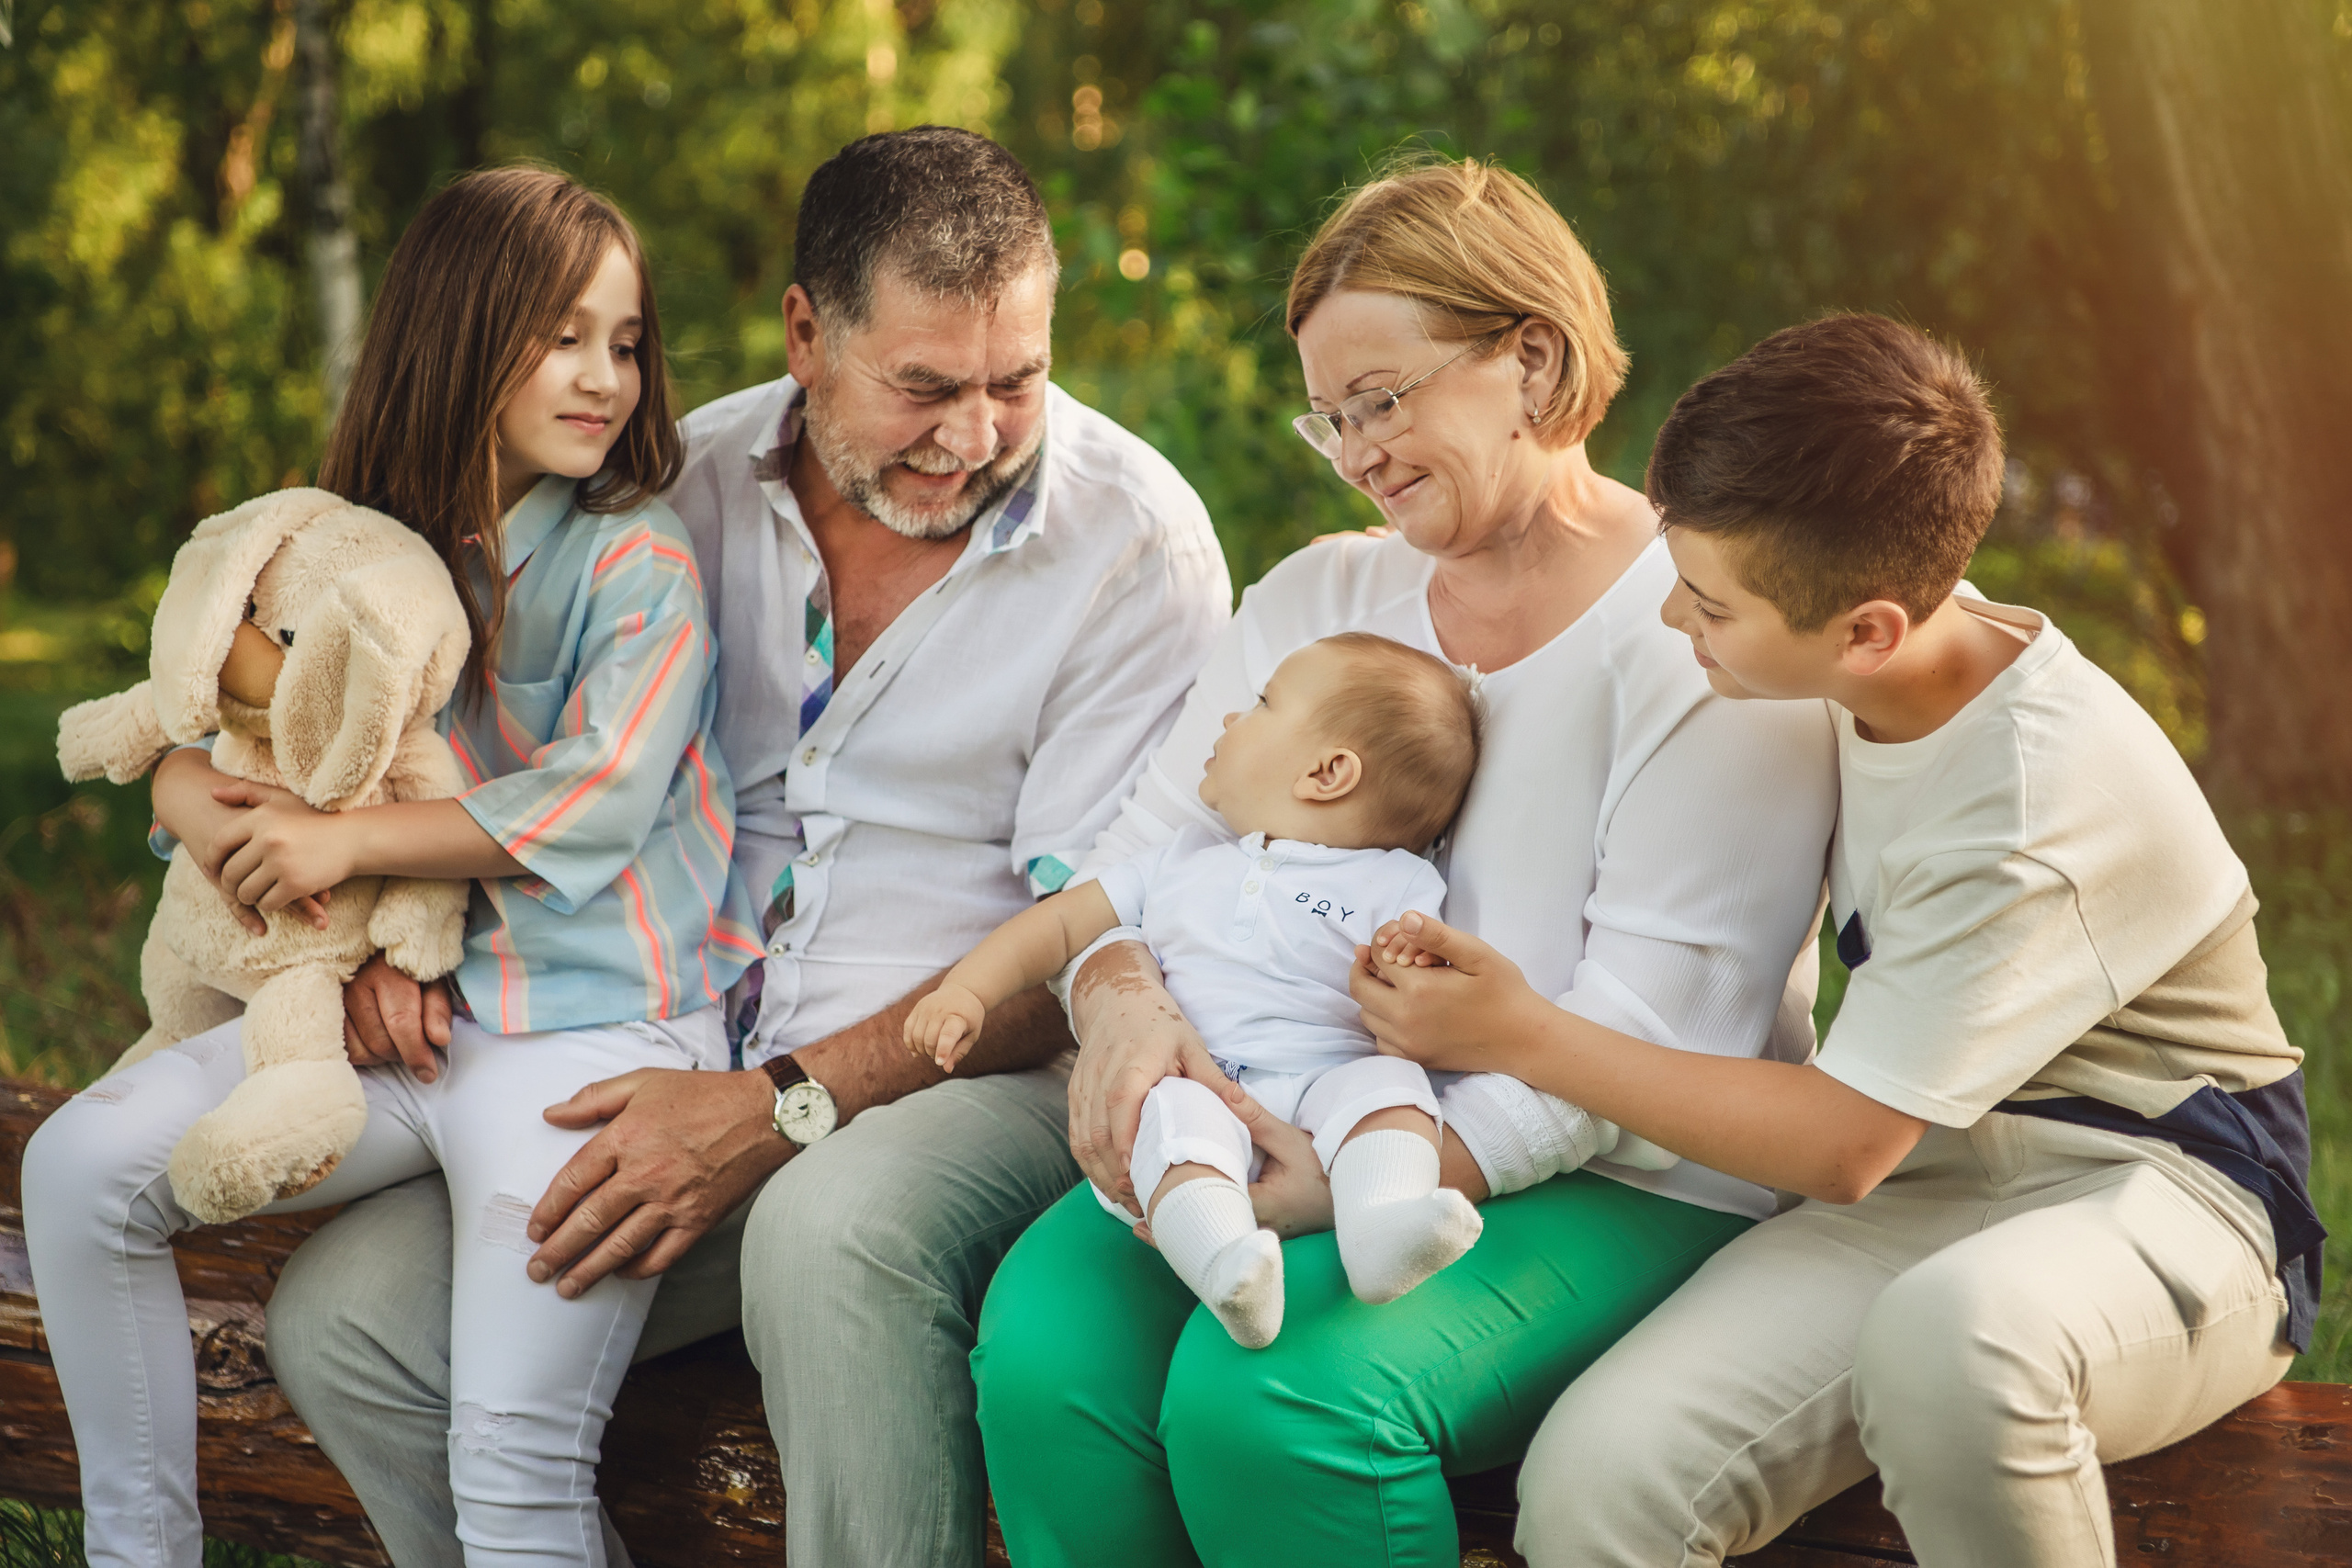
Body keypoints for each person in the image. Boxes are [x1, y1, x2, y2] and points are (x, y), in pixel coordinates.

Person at [259, 128, 1231, 1568]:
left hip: (979, 1069)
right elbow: (477, 753)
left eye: (1015, 380)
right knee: (348, 1322)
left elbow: (1100, 930)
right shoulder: (672, 483)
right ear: (804, 334)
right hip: (647, 1034)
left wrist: (781, 1104)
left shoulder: (1136, 547)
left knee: (828, 1229)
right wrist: (391, 934)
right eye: (924, 387)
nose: (974, 435)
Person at [973, 155, 1840, 1568]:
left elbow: (1655, 1036)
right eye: (1330, 417)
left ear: (1530, 359)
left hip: (1625, 1173)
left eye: (1381, 399)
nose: (1357, 450)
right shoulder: (1321, 594)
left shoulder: (1704, 628)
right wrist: (1122, 1006)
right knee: (1044, 1355)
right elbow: (1138, 865)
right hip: (1275, 1101)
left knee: (1276, 1400)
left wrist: (1356, 1170)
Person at [1358, 313, 2321, 1568]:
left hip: (2162, 1190)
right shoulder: (1850, 653)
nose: (1672, 619)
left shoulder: (2027, 801)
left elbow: (1840, 1146)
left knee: (1955, 1343)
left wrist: (1521, 1034)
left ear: (1867, 630)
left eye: (1709, 605)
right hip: (1935, 1176)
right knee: (1601, 1479)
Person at [23, 167, 756, 1566]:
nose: (603, 377)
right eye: (562, 337)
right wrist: (183, 787)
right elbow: (237, 714)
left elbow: (599, 799)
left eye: (625, 342)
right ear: (459, 331)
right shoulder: (350, 542)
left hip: (591, 1041)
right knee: (77, 1171)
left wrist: (346, 841)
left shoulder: (636, 562)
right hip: (405, 1024)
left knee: (510, 1464)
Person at [912, 633, 1507, 1347]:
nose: (1230, 718)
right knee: (1165, 1114)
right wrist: (968, 990)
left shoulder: (1399, 882)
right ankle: (1227, 1266)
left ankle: (1382, 1227)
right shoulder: (1181, 859)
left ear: (1327, 773)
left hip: (1327, 1085)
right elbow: (1062, 923)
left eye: (1261, 704)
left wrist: (1408, 963)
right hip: (1200, 1078)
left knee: (1393, 1087)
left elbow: (1430, 998)